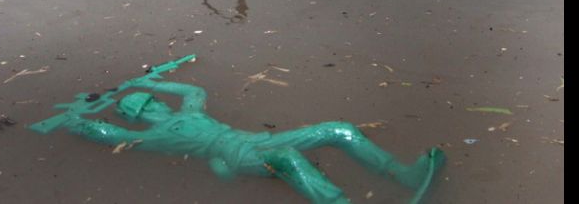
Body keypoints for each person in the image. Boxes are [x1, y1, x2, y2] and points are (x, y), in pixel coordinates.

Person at [59, 79, 445, 204]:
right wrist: (77, 122)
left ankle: (403, 176)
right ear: (138, 117)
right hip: (235, 155)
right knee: (288, 157)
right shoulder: (156, 137)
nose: (155, 105)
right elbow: (110, 134)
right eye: (146, 105)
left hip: (255, 138)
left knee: (338, 128)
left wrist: (152, 81)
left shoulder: (188, 113)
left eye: (154, 100)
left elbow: (194, 88)